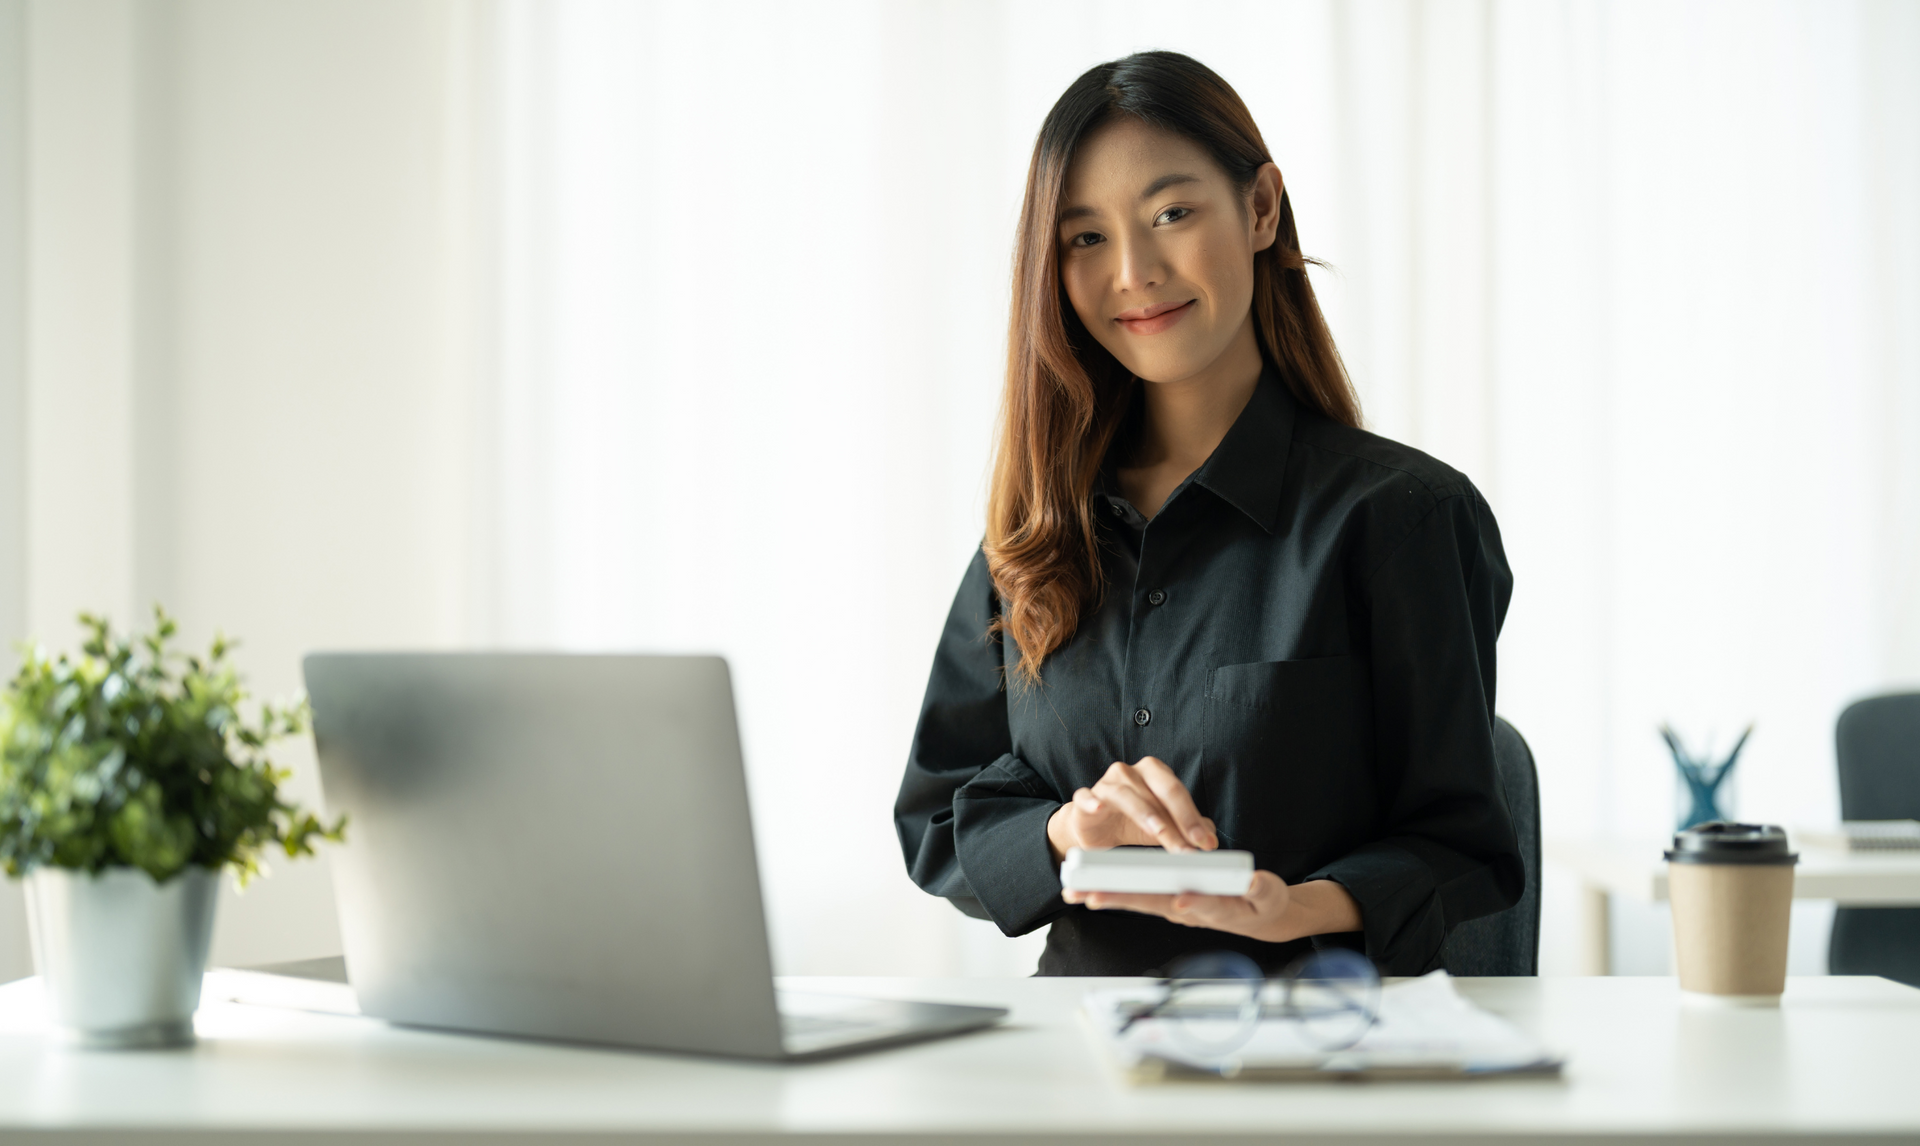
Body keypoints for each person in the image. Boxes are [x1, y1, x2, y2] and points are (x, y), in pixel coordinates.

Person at [894, 51, 1521, 977]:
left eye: (1172, 214)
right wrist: (1069, 829)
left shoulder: (1403, 520)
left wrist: (1296, 905)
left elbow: (1463, 845)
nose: (1135, 271)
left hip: (1314, 1049)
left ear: (1261, 208)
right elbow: (939, 820)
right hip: (1071, 1062)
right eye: (1086, 238)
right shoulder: (1036, 534)